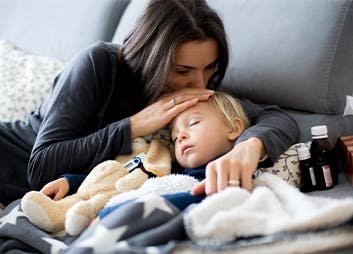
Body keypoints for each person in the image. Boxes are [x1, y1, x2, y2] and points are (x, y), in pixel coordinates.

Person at [0, 0, 299, 207]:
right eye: (183, 71)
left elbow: (276, 118)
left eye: (210, 68)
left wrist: (249, 148)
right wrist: (135, 125)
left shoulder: (195, 88)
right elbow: (40, 166)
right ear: (151, 59)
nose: (200, 84)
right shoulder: (98, 64)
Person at [42, 91, 251, 214]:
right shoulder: (167, 167)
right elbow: (120, 175)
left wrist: (112, 216)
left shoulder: (228, 173)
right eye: (174, 135)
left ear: (233, 128)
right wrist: (72, 182)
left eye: (193, 123)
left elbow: (177, 203)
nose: (180, 137)